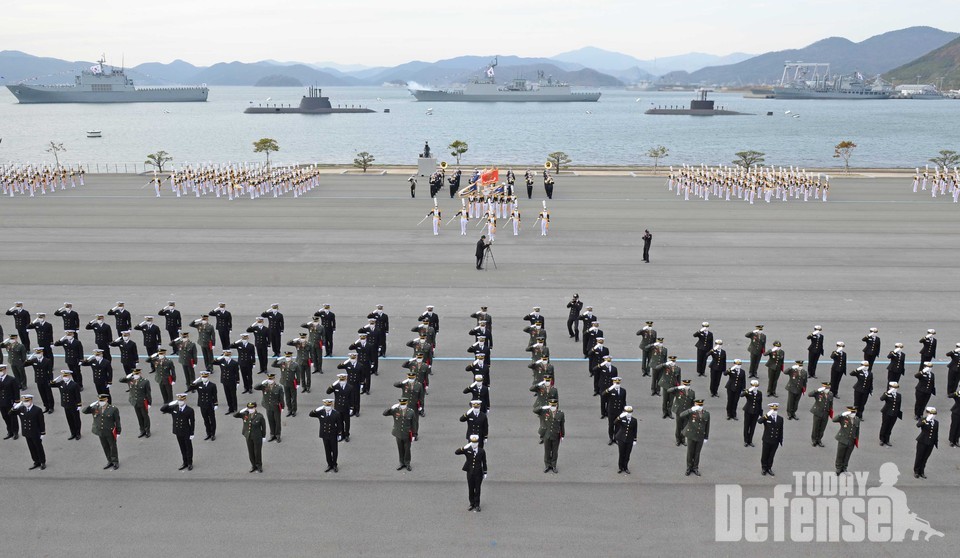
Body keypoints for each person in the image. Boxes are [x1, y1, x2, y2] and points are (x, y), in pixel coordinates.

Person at [83, 393, 121, 470]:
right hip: (100, 431)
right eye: (99, 400)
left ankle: (115, 461)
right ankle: (109, 461)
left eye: (102, 400)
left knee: (112, 447)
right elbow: (84, 411)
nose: (101, 402)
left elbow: (117, 421)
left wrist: (118, 432)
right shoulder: (95, 408)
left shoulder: (113, 409)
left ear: (106, 400)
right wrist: (90, 405)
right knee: (105, 447)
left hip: (110, 431)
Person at [160, 393, 196, 471]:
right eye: (179, 400)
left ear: (185, 400)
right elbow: (162, 409)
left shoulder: (189, 410)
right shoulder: (174, 408)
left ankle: (190, 463)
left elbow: (192, 422)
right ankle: (184, 462)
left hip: (186, 431)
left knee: (188, 447)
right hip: (178, 431)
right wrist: (169, 404)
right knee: (182, 447)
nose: (180, 402)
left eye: (182, 400)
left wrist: (192, 432)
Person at [10, 394, 45, 469]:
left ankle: (42, 462)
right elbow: (10, 413)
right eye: (24, 401)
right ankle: (36, 461)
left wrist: (42, 432)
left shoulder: (37, 410)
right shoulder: (21, 409)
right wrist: (16, 406)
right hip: (26, 432)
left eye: (27, 401)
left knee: (38, 447)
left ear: (31, 401)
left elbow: (41, 422)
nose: (26, 403)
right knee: (31, 448)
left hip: (35, 432)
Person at [455, 434, 488, 512]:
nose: (474, 444)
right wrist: (464, 447)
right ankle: (471, 503)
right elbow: (456, 452)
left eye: (475, 442)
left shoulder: (481, 451)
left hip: (478, 473)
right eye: (473, 442)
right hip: (470, 472)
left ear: (478, 442)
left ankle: (477, 504)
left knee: (477, 489)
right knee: (470, 488)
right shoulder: (467, 450)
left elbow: (484, 462)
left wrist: (485, 472)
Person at [309, 398, 342, 472]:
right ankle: (329, 464)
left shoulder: (336, 414)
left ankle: (334, 464)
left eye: (329, 406)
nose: (327, 408)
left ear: (331, 406)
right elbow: (311, 414)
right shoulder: (321, 412)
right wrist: (317, 409)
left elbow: (339, 425)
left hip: (333, 434)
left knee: (334, 451)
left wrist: (339, 434)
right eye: (326, 406)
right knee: (327, 450)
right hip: (324, 434)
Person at [383, 397, 417, 471]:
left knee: (407, 449)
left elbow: (414, 424)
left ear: (406, 404)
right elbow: (384, 414)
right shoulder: (395, 410)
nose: (403, 405)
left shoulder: (411, 412)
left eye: (404, 404)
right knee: (400, 449)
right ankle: (401, 463)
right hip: (398, 433)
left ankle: (407, 463)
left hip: (407, 434)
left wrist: (414, 434)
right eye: (401, 404)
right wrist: (390, 408)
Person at [679, 399, 710, 476]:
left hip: (700, 436)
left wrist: (706, 437)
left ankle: (695, 467)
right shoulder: (692, 412)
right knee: (690, 452)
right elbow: (681, 415)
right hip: (691, 435)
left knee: (697, 453)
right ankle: (689, 467)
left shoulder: (706, 414)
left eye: (700, 405)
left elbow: (707, 426)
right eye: (698, 405)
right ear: (695, 405)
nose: (699, 407)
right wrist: (691, 409)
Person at [534, 398, 564, 473]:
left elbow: (562, 425)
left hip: (555, 435)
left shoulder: (560, 414)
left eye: (554, 406)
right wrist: (542, 407)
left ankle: (553, 465)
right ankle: (547, 465)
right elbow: (535, 410)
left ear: (556, 405)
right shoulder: (545, 412)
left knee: (555, 451)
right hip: (547, 435)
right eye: (551, 406)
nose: (553, 407)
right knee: (547, 451)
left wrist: (562, 435)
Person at [234, 402, 266, 473]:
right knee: (251, 452)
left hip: (257, 436)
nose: (251, 409)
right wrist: (241, 411)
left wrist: (263, 436)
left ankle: (259, 465)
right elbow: (235, 415)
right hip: (248, 436)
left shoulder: (259, 416)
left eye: (252, 408)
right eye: (249, 408)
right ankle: (253, 465)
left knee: (257, 452)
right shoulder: (245, 414)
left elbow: (263, 427)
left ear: (255, 408)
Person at [50, 370, 82, 440]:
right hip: (65, 404)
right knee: (69, 419)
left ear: (70, 376)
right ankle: (73, 433)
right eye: (64, 376)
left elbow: (77, 395)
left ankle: (78, 433)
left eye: (66, 376)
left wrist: (79, 404)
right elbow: (50, 385)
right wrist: (54, 380)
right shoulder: (61, 383)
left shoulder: (74, 384)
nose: (65, 377)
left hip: (73, 405)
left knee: (76, 419)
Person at [186, 370, 218, 440]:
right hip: (202, 405)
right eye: (203, 377)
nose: (204, 378)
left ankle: (213, 434)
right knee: (205, 420)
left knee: (212, 420)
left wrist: (216, 404)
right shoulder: (199, 384)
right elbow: (190, 389)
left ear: (207, 377)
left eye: (205, 377)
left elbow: (214, 395)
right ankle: (208, 433)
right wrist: (194, 382)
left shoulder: (212, 385)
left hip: (210, 404)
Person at [254, 373, 284, 442]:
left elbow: (281, 398)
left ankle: (277, 435)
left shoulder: (278, 387)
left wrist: (282, 406)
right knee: (270, 421)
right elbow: (255, 387)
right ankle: (272, 434)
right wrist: (262, 383)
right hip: (268, 406)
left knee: (277, 421)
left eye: (271, 379)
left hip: (276, 406)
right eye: (268, 379)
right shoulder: (264, 386)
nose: (270, 380)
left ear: (274, 379)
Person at [833, 405, 860, 474]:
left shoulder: (857, 419)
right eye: (851, 413)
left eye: (854, 413)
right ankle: (838, 468)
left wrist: (856, 440)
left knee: (847, 455)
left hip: (851, 441)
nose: (853, 414)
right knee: (840, 455)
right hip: (843, 439)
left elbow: (857, 430)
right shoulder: (844, 418)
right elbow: (834, 420)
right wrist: (841, 415)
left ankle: (844, 467)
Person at [758, 403, 784, 476]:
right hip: (767, 440)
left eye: (775, 409)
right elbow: (759, 421)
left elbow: (781, 430)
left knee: (771, 455)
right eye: (773, 409)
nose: (774, 411)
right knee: (765, 454)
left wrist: (780, 440)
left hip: (775, 441)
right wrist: (766, 415)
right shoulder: (767, 418)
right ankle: (764, 468)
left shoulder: (780, 419)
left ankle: (769, 468)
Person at [914, 407, 939, 478]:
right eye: (931, 414)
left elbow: (936, 433)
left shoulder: (936, 423)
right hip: (922, 441)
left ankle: (921, 471)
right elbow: (918, 425)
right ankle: (916, 471)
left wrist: (936, 442)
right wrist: (925, 421)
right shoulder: (924, 420)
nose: (933, 415)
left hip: (930, 443)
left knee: (925, 458)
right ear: (928, 413)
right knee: (919, 457)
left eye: (934, 414)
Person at [613, 405, 638, 474]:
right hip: (621, 438)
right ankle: (620, 467)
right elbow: (615, 423)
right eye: (627, 412)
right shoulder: (622, 419)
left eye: (630, 412)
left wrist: (635, 439)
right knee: (621, 453)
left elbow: (635, 430)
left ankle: (625, 467)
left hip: (629, 439)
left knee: (627, 454)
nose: (629, 414)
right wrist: (619, 417)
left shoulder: (634, 420)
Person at [808, 381, 834, 447]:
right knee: (815, 427)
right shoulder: (818, 393)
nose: (827, 389)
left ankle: (819, 439)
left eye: (828, 387)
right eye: (826, 387)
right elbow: (809, 394)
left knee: (822, 428)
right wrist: (816, 390)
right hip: (818, 412)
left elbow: (830, 404)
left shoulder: (830, 394)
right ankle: (814, 440)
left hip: (825, 413)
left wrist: (830, 412)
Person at [878, 381, 903, 446]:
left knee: (890, 427)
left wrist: (898, 413)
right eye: (893, 388)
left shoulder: (899, 395)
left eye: (896, 388)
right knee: (884, 425)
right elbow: (881, 399)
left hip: (894, 413)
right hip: (886, 412)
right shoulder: (887, 394)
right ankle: (882, 439)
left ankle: (887, 439)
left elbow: (899, 405)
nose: (895, 389)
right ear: (890, 387)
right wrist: (888, 392)